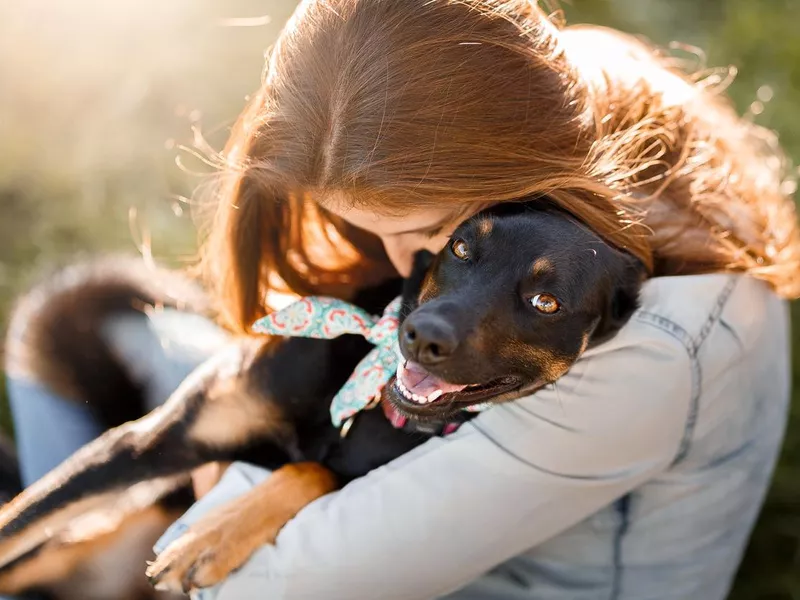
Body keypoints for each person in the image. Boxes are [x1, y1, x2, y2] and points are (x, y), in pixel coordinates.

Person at [6, 1, 800, 599]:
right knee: (81, 316)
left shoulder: (633, 354)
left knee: (155, 491)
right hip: (356, 429)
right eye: (360, 226)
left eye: (427, 229)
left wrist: (222, 459)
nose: (397, 265)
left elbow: (261, 586)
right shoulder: (565, 109)